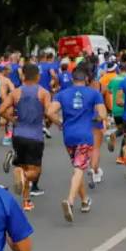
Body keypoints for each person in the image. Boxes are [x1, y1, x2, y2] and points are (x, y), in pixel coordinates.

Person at [49, 66, 105, 222]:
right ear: (86, 79)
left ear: (73, 79)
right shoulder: (94, 93)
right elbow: (102, 114)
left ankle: (85, 200)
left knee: (76, 167)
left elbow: (49, 112)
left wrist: (59, 122)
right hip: (85, 135)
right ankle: (70, 201)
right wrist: (96, 119)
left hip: (69, 136)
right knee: (79, 169)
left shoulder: (62, 94)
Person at [1, 63, 50, 211]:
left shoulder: (16, 93)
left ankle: (26, 200)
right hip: (35, 135)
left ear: (23, 76)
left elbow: (1, 110)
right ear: (38, 76)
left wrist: (12, 120)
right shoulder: (43, 93)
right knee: (34, 172)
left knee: (23, 166)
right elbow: (48, 112)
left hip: (18, 134)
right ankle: (23, 177)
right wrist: (50, 122)